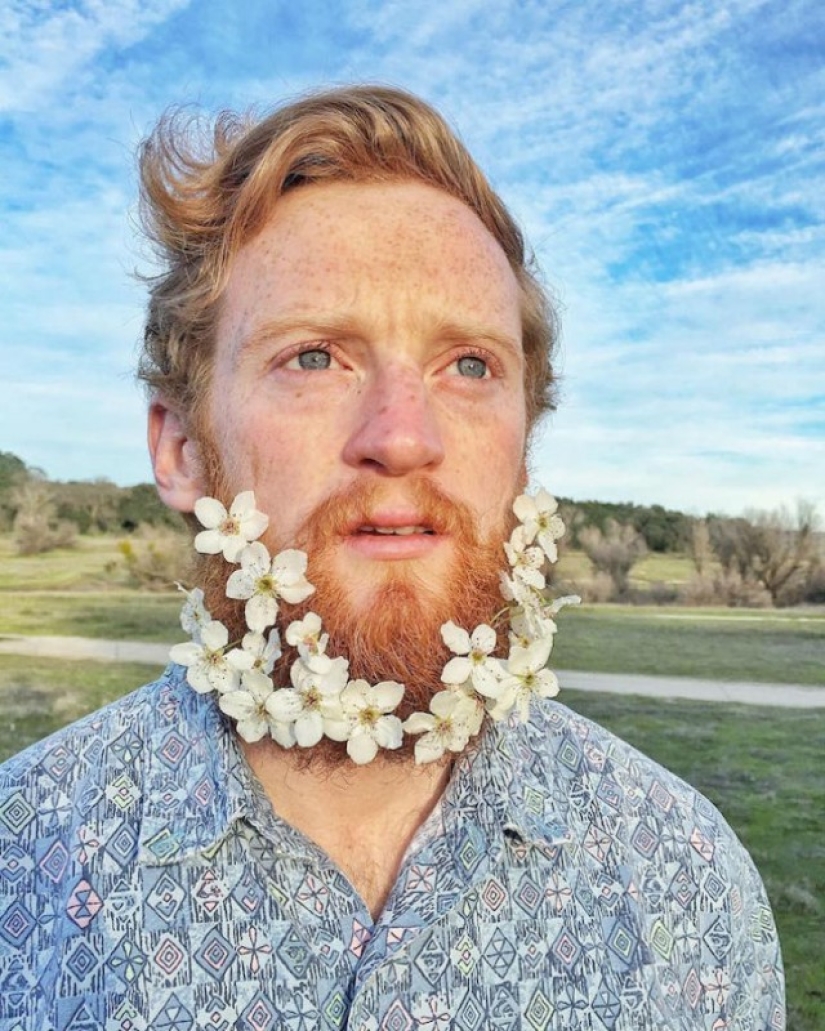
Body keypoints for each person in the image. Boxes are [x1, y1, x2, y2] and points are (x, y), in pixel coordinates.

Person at [0, 86, 783, 1030]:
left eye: (468, 365)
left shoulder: (690, 887)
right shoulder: (25, 855)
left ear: (521, 450)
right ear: (180, 449)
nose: (403, 437)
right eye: (315, 356)